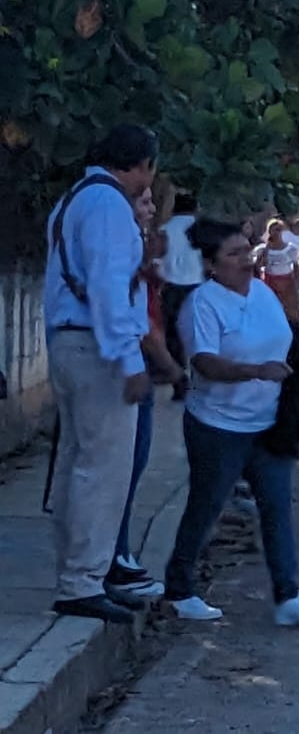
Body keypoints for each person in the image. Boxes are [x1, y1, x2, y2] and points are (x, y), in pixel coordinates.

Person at [164, 219, 299, 625]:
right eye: (233, 255)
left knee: (276, 507)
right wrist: (254, 370)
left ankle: (287, 596)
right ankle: (180, 589)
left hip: (268, 423)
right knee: (207, 506)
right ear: (211, 265)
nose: (245, 262)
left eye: (246, 251)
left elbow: (286, 336)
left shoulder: (262, 293)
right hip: (218, 425)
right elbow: (203, 361)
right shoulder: (202, 303)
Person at [43, 124, 158, 624]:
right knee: (103, 468)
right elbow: (110, 288)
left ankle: (80, 574)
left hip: (70, 341)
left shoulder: (75, 200)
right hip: (98, 347)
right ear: (141, 164)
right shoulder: (110, 206)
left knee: (78, 462)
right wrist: (130, 362)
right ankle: (84, 581)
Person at [110, 188, 185, 605]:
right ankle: (115, 555)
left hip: (136, 371)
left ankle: (117, 552)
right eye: (145, 204)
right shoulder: (127, 270)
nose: (152, 216)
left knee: (129, 470)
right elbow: (144, 331)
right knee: (122, 469)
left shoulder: (145, 276)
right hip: (127, 373)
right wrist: (172, 369)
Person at [159, 192, 204, 401]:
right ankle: (201, 380)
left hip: (171, 287)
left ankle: (179, 383)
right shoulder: (202, 229)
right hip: (198, 287)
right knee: (201, 335)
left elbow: (157, 262)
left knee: (173, 336)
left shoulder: (165, 230)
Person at [257, 221, 299, 324]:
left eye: (279, 230)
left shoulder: (290, 249)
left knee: (289, 309)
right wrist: (266, 249)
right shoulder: (263, 249)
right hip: (270, 282)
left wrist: (296, 284)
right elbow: (259, 265)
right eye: (274, 230)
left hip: (287, 283)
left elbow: (296, 268)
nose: (276, 233)